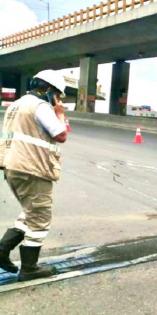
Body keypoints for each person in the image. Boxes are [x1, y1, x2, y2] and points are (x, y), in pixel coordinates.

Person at [0, 69, 67, 281]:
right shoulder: (41, 107)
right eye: (57, 94)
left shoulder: (16, 105)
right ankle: (29, 268)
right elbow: (61, 134)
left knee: (29, 212)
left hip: (13, 165)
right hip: (32, 168)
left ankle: (2, 250)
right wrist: (60, 113)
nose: (58, 99)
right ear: (49, 90)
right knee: (40, 217)